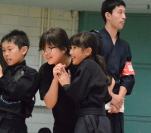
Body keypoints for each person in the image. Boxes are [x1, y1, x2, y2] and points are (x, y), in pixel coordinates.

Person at [0, 30, 40, 133]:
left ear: (23, 50)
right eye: (3, 50)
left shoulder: (31, 73)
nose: (6, 54)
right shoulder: (4, 72)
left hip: (14, 122)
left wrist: (0, 76)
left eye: (10, 49)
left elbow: (17, 93)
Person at [56, 32, 112, 133]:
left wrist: (65, 84)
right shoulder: (92, 65)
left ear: (88, 51)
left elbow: (77, 93)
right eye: (71, 47)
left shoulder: (87, 65)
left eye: (74, 48)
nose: (71, 52)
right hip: (97, 119)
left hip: (90, 120)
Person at [98, 0, 135, 132]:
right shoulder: (95, 39)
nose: (124, 17)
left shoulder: (125, 46)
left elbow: (128, 75)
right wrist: (110, 96)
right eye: (120, 12)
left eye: (124, 13)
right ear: (108, 15)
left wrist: (119, 98)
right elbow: (92, 72)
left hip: (117, 104)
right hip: (98, 102)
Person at [38, 28, 78, 133]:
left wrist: (67, 84)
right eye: (43, 50)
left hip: (84, 126)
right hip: (60, 128)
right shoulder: (45, 70)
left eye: (49, 48)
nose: (45, 53)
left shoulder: (79, 65)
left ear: (64, 48)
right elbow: (49, 104)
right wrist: (55, 80)